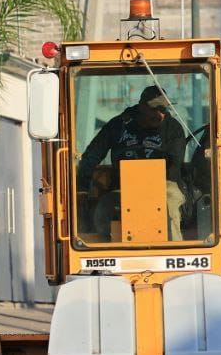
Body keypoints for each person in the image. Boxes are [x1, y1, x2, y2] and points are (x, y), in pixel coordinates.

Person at [77, 85, 187, 241]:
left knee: (170, 206)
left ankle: (177, 253)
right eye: (154, 109)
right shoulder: (117, 126)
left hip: (164, 185)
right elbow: (91, 156)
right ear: (142, 106)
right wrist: (81, 188)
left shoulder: (173, 129)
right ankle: (104, 254)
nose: (160, 114)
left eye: (163, 110)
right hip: (122, 188)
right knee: (103, 210)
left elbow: (175, 165)